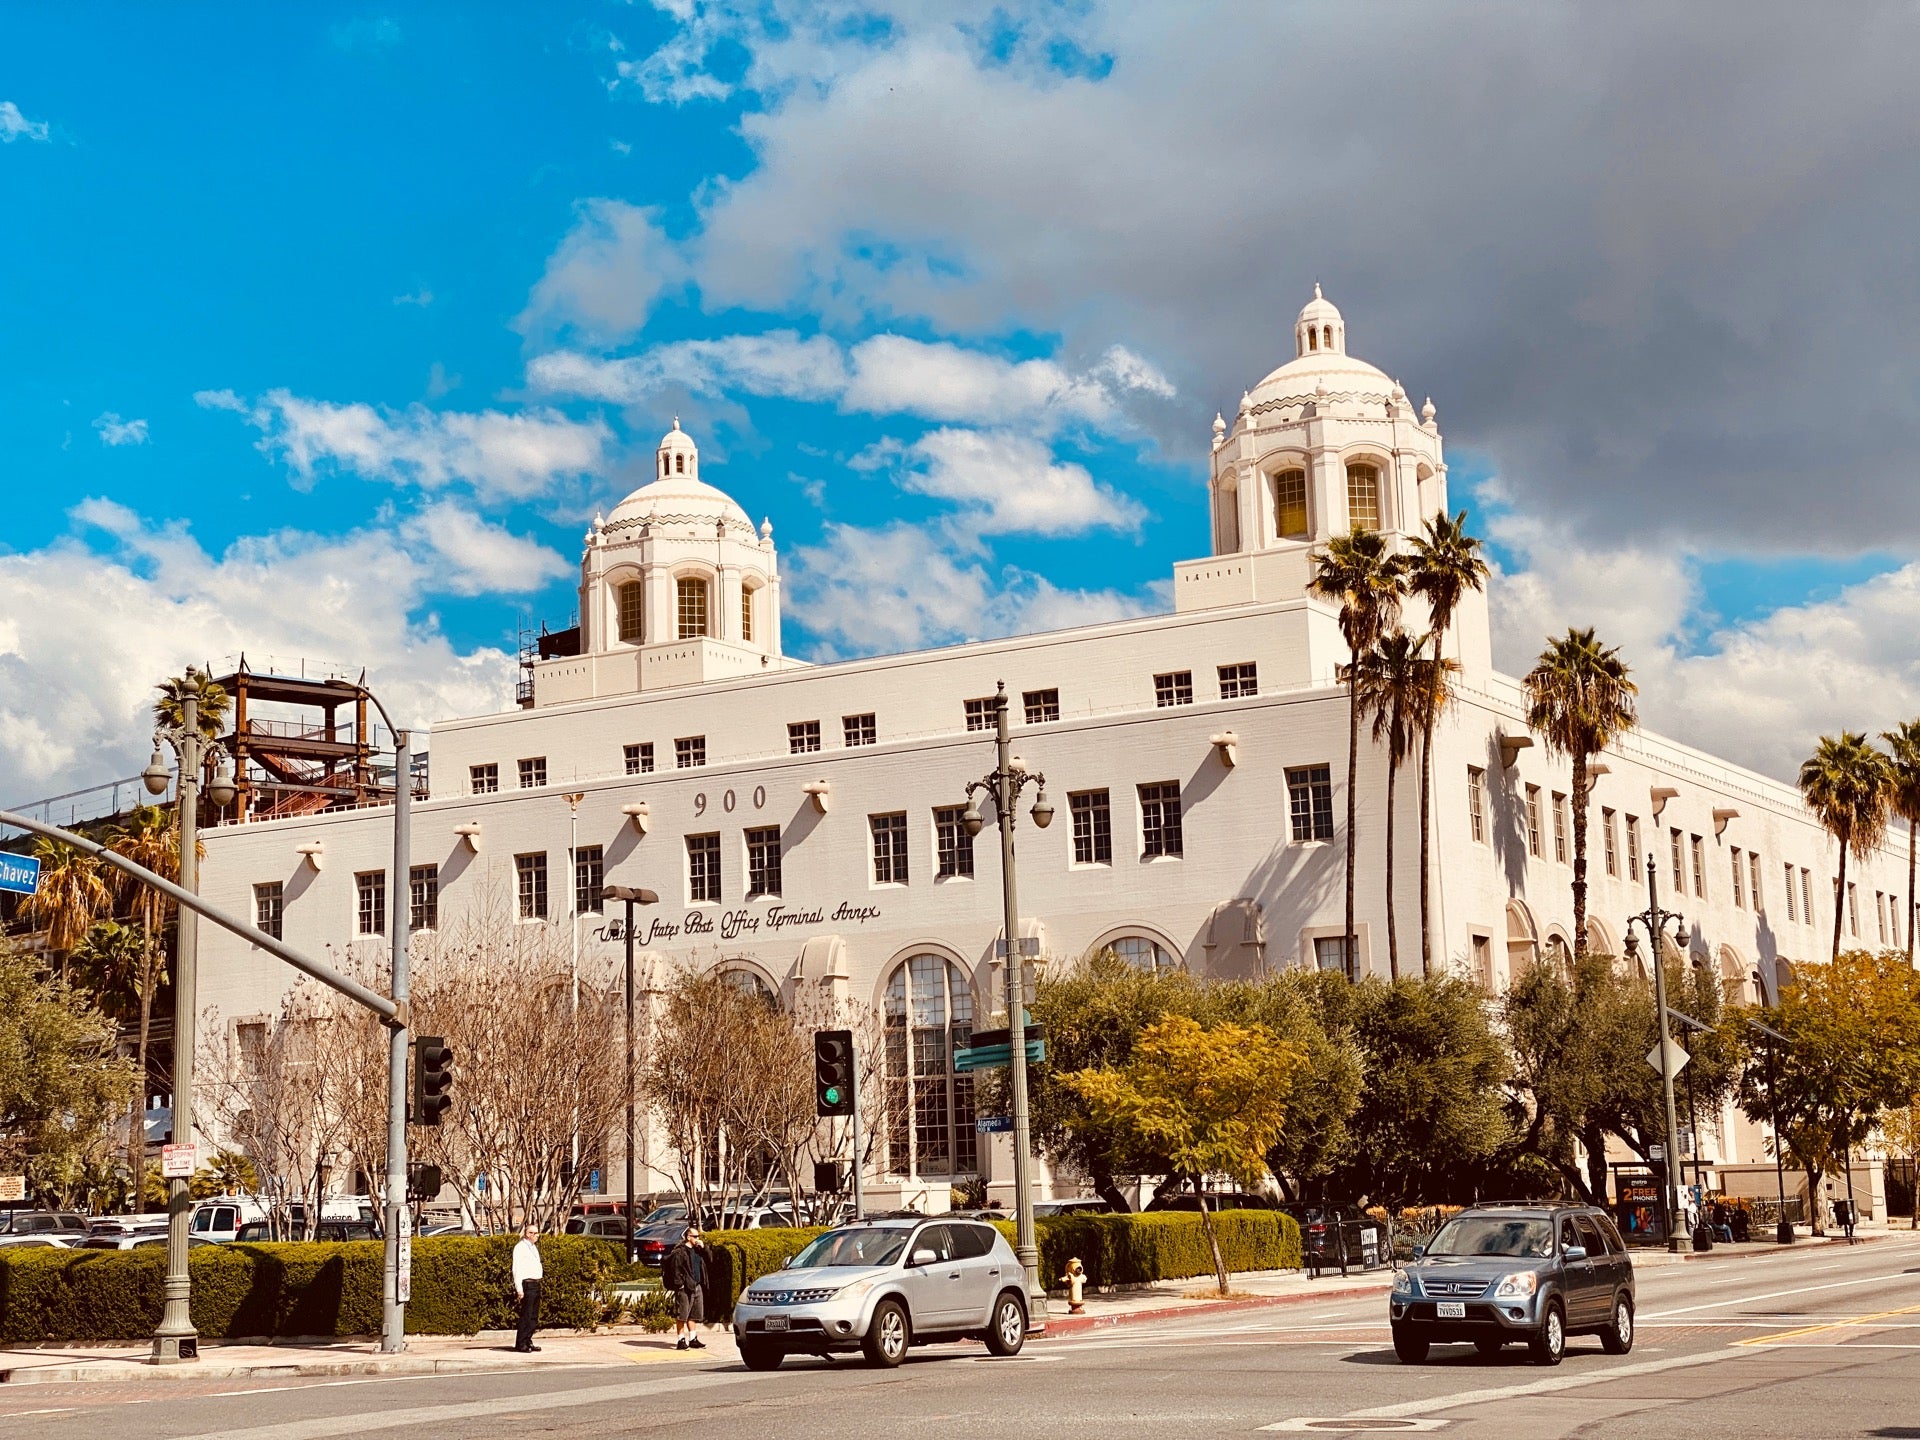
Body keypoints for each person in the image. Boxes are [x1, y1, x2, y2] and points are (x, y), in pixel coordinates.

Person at [663, 1225, 708, 1350]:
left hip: (697, 1285)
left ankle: (693, 1339)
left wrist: (704, 1248)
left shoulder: (698, 1250)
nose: (698, 1238)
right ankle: (681, 1340)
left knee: (694, 1314)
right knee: (682, 1314)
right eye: (695, 1236)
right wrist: (680, 1285)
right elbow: (676, 1269)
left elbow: (710, 1259)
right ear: (688, 1237)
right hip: (684, 1287)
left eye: (698, 1236)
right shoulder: (680, 1251)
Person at [512, 1222, 544, 1353]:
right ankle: (521, 1343)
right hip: (528, 1284)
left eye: (537, 1233)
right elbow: (517, 1269)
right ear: (528, 1234)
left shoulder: (533, 1247)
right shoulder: (520, 1248)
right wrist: (519, 1288)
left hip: (536, 1283)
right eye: (534, 1233)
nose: (537, 1235)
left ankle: (528, 1340)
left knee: (533, 1316)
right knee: (527, 1314)